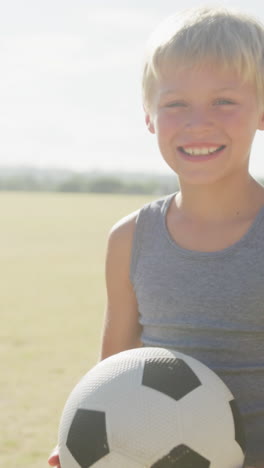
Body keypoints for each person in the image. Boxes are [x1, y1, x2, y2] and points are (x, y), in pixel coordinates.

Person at [48, 5, 264, 468]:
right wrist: (78, 447)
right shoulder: (131, 239)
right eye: (175, 104)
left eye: (224, 100)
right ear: (149, 116)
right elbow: (113, 378)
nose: (197, 121)